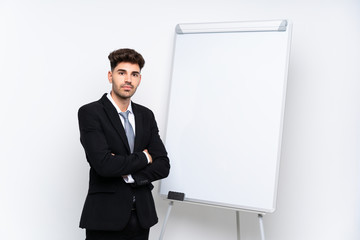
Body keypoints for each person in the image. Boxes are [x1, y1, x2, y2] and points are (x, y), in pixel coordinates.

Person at [78, 48, 170, 240]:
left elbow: (163, 165)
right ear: (111, 76)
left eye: (134, 74)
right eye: (122, 73)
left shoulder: (146, 115)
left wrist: (130, 175)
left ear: (139, 79)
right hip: (105, 218)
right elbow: (103, 165)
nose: (128, 79)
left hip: (142, 217)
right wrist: (145, 157)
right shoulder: (91, 113)